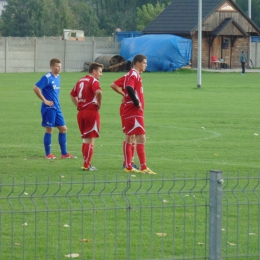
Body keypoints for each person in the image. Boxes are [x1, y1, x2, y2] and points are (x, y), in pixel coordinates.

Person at [116, 54, 156, 174]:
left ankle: (129, 166)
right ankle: (142, 167)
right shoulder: (133, 74)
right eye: (144, 63)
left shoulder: (132, 74)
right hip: (134, 112)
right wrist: (136, 102)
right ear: (138, 63)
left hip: (131, 111)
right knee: (140, 138)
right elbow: (129, 87)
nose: (146, 65)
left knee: (130, 137)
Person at [33, 58, 76, 159]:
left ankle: (64, 154)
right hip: (49, 108)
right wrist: (45, 100)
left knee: (63, 128)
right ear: (51, 67)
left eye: (60, 66)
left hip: (57, 107)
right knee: (50, 129)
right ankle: (48, 154)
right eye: (57, 66)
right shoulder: (47, 77)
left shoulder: (58, 77)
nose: (59, 68)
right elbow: (36, 88)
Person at [70, 62, 103, 171]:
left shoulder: (80, 80)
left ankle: (86, 163)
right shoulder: (94, 81)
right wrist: (99, 103)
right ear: (94, 71)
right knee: (90, 139)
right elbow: (98, 92)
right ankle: (87, 165)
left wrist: (78, 105)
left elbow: (72, 95)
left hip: (81, 112)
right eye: (100, 71)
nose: (101, 74)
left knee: (85, 139)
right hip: (91, 112)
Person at [110, 74, 139, 170]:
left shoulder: (136, 77)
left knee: (133, 135)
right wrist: (124, 94)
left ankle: (131, 161)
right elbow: (113, 85)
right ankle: (126, 162)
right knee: (129, 135)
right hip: (126, 108)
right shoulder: (129, 76)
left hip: (132, 109)